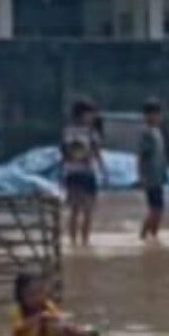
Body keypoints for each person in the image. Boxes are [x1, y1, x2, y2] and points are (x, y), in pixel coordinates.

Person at [10, 272, 97, 336]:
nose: (37, 297)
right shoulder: (18, 310)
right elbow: (18, 328)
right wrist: (40, 318)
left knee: (59, 324)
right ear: (21, 296)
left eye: (40, 291)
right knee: (45, 322)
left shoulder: (47, 305)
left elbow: (60, 320)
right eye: (31, 294)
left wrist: (73, 330)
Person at [62, 100, 107, 246]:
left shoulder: (88, 133)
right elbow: (65, 153)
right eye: (89, 114)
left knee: (87, 210)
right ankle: (75, 241)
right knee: (76, 210)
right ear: (80, 115)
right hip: (75, 174)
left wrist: (103, 171)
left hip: (85, 174)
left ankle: (84, 241)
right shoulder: (74, 132)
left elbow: (97, 153)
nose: (91, 117)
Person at [137, 98, 168, 241]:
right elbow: (141, 156)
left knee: (159, 209)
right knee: (155, 209)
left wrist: (164, 173)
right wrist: (142, 176)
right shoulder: (146, 133)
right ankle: (143, 235)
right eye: (151, 114)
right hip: (150, 178)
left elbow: (162, 156)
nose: (155, 117)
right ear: (146, 116)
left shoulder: (158, 132)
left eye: (156, 114)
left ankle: (154, 235)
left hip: (158, 177)